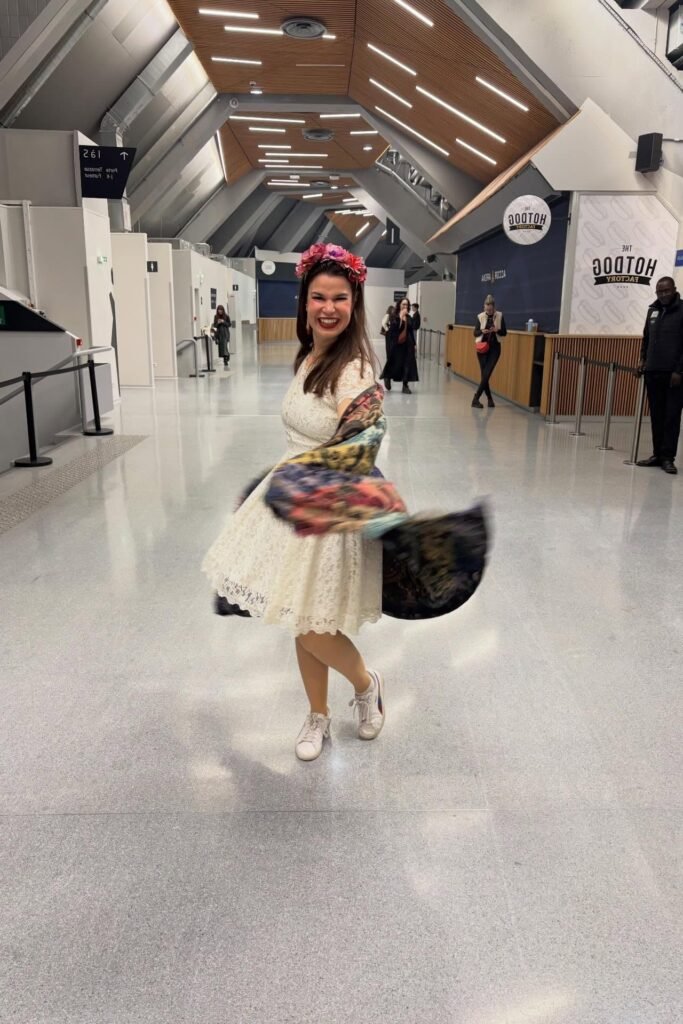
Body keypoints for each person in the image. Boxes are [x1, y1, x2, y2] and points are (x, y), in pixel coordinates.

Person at [202, 243, 385, 762]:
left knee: (314, 622)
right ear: (305, 301)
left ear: (355, 304)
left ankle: (367, 683)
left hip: (325, 507)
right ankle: (319, 714)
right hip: (289, 495)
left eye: (340, 299)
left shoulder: (354, 370)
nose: (329, 308)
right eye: (319, 297)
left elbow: (363, 446)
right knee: (296, 611)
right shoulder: (310, 356)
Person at [636, 276, 683, 475]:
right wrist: (642, 360)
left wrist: (679, 370)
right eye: (659, 292)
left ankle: (668, 458)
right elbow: (646, 338)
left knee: (671, 417)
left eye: (666, 291)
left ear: (674, 290)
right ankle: (657, 454)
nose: (663, 295)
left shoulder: (682, 310)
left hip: (674, 375)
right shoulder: (652, 310)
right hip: (653, 371)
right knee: (657, 416)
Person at [381, 296, 419, 394]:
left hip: (408, 344)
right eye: (403, 304)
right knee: (395, 362)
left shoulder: (409, 318)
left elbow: (411, 331)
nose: (405, 306)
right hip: (396, 344)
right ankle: (387, 377)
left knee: (407, 364)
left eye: (407, 304)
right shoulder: (394, 316)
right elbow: (393, 330)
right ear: (399, 305)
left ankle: (405, 385)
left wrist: (414, 344)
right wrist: (401, 319)